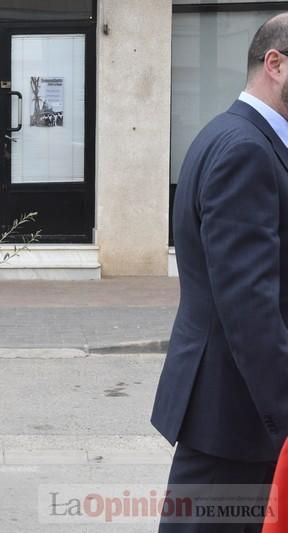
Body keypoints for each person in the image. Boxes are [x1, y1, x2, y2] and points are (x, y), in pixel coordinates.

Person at [150, 13, 288, 532]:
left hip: (229, 404)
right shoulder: (246, 148)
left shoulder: (232, 134)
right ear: (273, 63)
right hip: (235, 410)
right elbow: (249, 304)